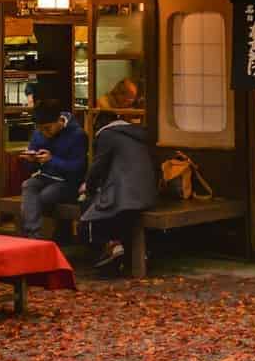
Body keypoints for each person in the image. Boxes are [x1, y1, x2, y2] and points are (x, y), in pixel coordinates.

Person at [80, 112, 158, 273]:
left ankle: (111, 245)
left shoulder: (107, 135)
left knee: (92, 205)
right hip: (147, 192)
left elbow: (98, 166)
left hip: (125, 194)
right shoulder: (137, 134)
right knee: (116, 209)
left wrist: (88, 186)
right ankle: (120, 248)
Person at [18, 108, 88, 238]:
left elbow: (78, 169)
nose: (44, 133)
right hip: (44, 176)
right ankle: (33, 235)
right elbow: (31, 168)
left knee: (45, 196)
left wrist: (51, 160)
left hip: (68, 182)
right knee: (28, 185)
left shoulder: (77, 135)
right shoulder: (38, 134)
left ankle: (54, 233)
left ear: (59, 121)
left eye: (47, 128)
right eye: (40, 129)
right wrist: (31, 160)